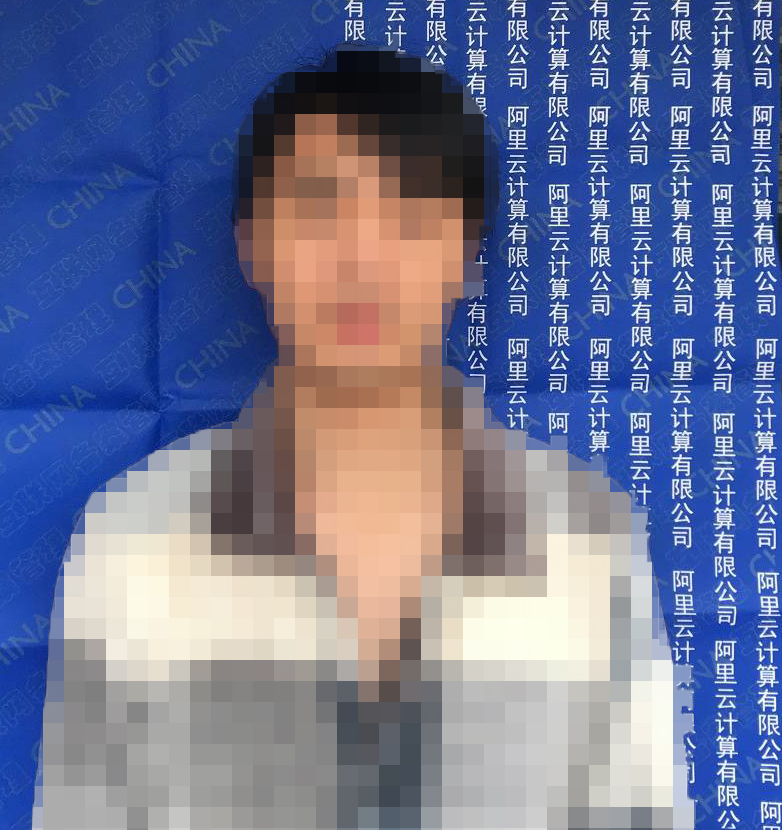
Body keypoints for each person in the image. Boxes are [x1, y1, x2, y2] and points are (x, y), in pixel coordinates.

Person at [34, 44, 694, 830]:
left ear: (468, 253)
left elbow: (638, 810)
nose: (361, 260)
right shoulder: (136, 531)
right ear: (250, 245)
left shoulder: (583, 530)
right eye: (319, 210)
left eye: (409, 217)